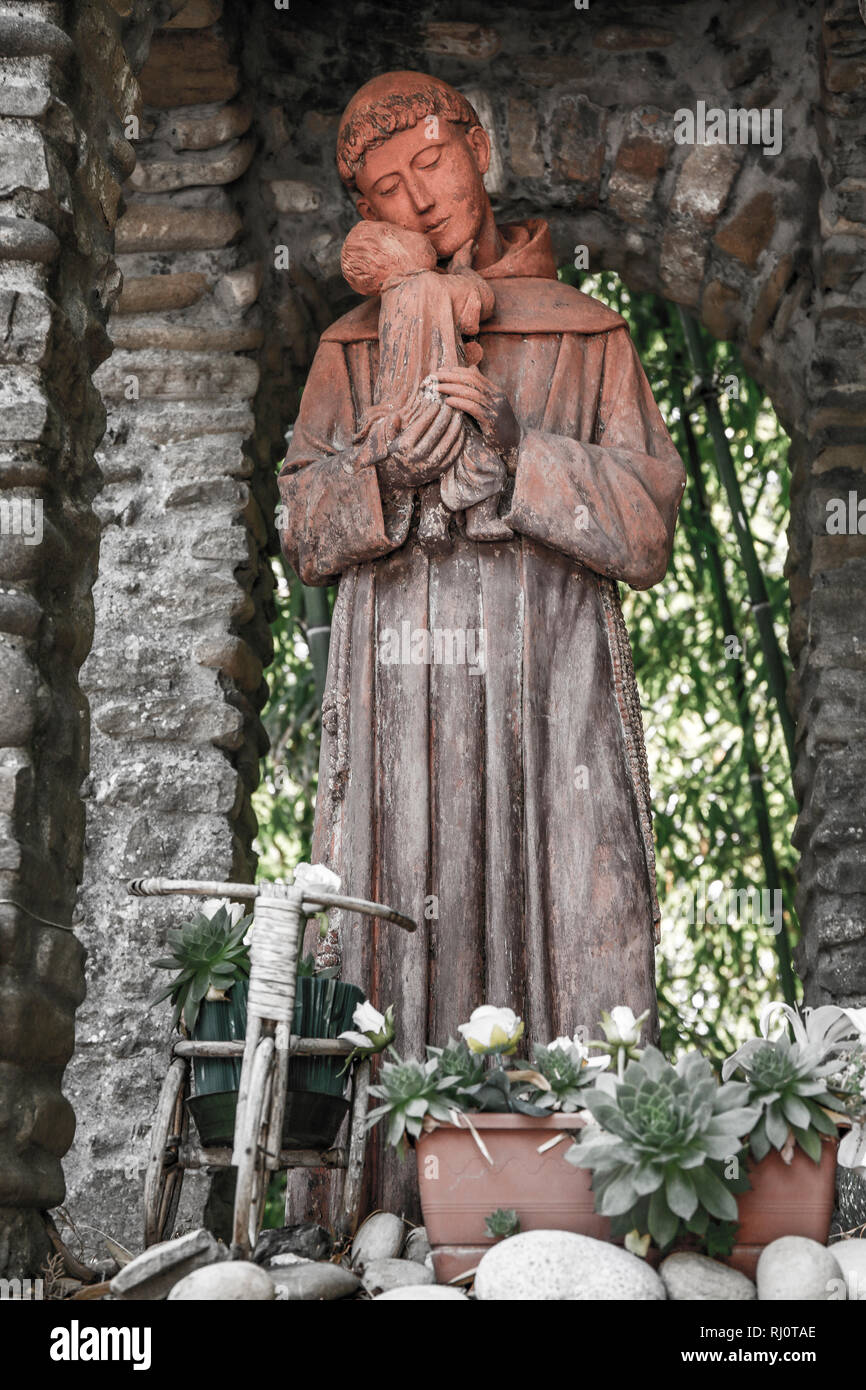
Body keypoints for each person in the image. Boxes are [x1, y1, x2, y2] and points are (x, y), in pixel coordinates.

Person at [279, 70, 686, 1221]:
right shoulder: (350, 350)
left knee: (581, 895)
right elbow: (304, 528)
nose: (416, 199)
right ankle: (389, 1212)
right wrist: (380, 472)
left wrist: (517, 458)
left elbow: (646, 523)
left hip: (550, 682)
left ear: (481, 147)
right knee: (400, 899)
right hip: (399, 682)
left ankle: (593, 1210)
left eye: (430, 161)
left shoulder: (586, 331)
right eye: (384, 188)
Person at [340, 219, 513, 550]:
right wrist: (462, 267)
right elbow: (482, 300)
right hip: (441, 397)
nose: (421, 233)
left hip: (397, 410)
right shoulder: (432, 285)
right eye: (407, 235)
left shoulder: (390, 301)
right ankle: (479, 520)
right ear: (395, 252)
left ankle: (433, 524)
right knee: (481, 461)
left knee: (435, 462)